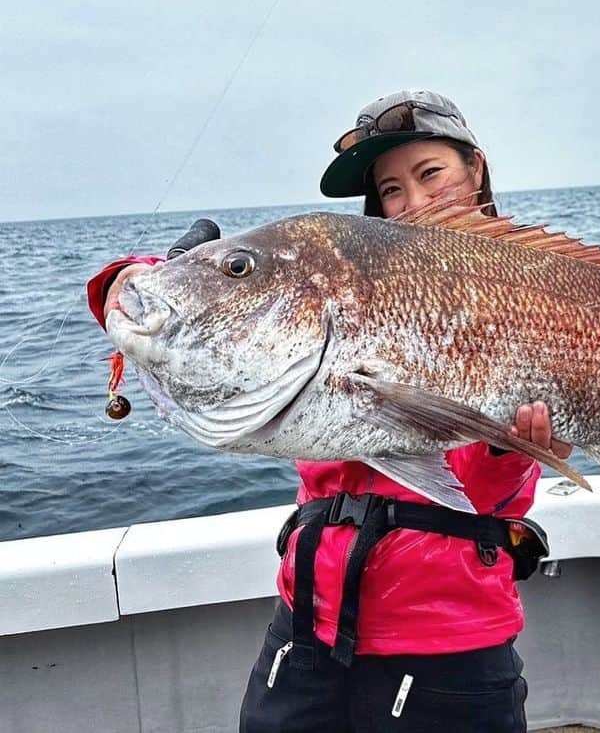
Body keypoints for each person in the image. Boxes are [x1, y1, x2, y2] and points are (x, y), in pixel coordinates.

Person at [87, 89, 570, 732]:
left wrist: (515, 448)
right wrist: (137, 276)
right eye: (392, 190)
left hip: (446, 638)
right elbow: (245, 292)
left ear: (475, 168)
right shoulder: (346, 276)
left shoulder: (535, 283)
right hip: (306, 626)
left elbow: (481, 491)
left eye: (431, 175)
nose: (414, 202)